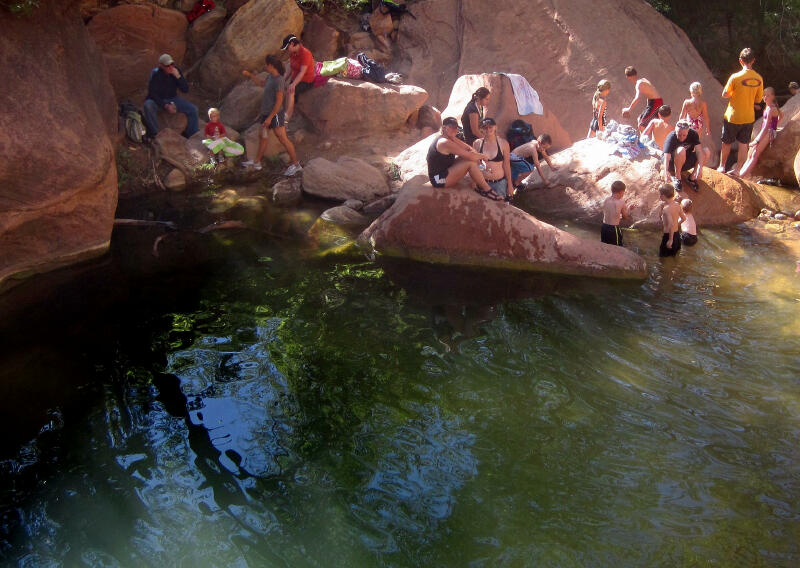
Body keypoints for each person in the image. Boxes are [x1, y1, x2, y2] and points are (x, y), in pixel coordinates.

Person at [241, 55, 302, 175]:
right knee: (263, 136)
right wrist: (249, 75)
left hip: (274, 114)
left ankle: (296, 165)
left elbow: (279, 102)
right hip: (266, 113)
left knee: (282, 138)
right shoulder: (270, 76)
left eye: (266, 64)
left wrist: (269, 118)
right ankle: (257, 162)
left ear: (271, 66)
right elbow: (261, 83)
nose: (265, 66)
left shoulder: (279, 80)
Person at [718, 47, 763, 175]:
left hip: (733, 116)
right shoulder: (759, 78)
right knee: (743, 144)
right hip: (748, 117)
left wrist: (736, 92)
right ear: (753, 60)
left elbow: (725, 94)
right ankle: (738, 170)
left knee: (726, 142)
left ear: (740, 61)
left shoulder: (735, 77)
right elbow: (758, 99)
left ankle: (722, 167)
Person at [426, 117, 497, 199]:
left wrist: (477, 157)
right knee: (470, 162)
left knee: (470, 159)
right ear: (444, 128)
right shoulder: (444, 142)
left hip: (445, 170)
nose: (455, 130)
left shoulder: (449, 137)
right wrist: (483, 156)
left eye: (456, 127)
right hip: (438, 180)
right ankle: (487, 190)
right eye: (451, 127)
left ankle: (478, 184)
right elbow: (470, 156)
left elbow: (469, 149)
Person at [142, 53, 198, 138]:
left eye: (172, 64)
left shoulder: (175, 71)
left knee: (193, 109)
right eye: (167, 65)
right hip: (159, 100)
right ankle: (155, 134)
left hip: (173, 99)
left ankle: (192, 135)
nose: (170, 67)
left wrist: (178, 77)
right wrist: (165, 105)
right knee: (148, 105)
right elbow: (152, 93)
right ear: (161, 65)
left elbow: (185, 90)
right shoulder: (155, 74)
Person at [739, 87, 784, 178]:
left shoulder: (772, 109)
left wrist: (757, 140)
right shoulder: (767, 107)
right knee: (750, 152)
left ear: (773, 96)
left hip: (769, 132)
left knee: (755, 153)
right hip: (765, 131)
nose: (765, 97)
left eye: (767, 95)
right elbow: (782, 116)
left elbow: (768, 126)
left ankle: (742, 175)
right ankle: (740, 172)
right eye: (764, 95)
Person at [662, 120, 710, 192]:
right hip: (673, 163)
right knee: (681, 150)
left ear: (688, 132)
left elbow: (699, 151)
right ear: (675, 131)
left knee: (706, 151)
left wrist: (699, 168)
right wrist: (665, 171)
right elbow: (666, 156)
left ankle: (691, 179)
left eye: (684, 135)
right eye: (679, 134)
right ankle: (678, 178)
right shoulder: (671, 136)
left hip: (685, 160)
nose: (681, 137)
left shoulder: (693, 134)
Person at [472, 117, 513, 200]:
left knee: (500, 207)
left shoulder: (503, 144)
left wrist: (510, 184)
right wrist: (474, 181)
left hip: (499, 183)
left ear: (495, 127)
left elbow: (506, 165)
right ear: (481, 129)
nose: (488, 129)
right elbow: (475, 164)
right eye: (485, 127)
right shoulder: (477, 143)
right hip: (482, 182)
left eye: (490, 127)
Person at [281, 34, 316, 122]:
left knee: (291, 91)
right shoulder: (292, 53)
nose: (286, 50)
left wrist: (293, 84)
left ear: (292, 44)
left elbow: (302, 72)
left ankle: (287, 118)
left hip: (306, 80)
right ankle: (286, 113)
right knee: (286, 89)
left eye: (287, 47)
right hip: (296, 78)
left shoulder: (305, 54)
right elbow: (291, 67)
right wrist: (283, 79)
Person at [621, 66, 663, 133]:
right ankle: (648, 139)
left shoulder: (639, 84)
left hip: (656, 103)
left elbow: (637, 98)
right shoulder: (643, 80)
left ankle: (645, 142)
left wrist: (629, 109)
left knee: (642, 124)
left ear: (628, 77)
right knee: (640, 120)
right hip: (653, 103)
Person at [600, 180, 632, 246]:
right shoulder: (621, 202)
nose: (623, 194)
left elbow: (611, 214)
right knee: (618, 247)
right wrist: (629, 209)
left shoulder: (606, 200)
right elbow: (625, 217)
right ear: (621, 192)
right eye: (624, 192)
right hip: (613, 229)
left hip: (604, 227)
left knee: (605, 246)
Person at [658, 184, 685, 257]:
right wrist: (677, 225)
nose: (659, 196)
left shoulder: (666, 209)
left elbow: (670, 224)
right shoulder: (677, 204)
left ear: (663, 196)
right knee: (674, 256)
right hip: (677, 235)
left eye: (659, 194)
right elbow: (683, 218)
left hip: (669, 236)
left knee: (663, 257)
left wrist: (670, 240)